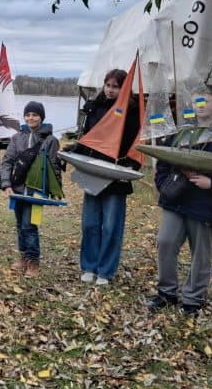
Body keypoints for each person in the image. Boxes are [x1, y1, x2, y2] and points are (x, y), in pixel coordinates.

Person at [147, 84, 212, 315]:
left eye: (205, 101)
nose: (200, 106)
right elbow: (163, 162)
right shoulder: (182, 133)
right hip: (176, 200)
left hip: (207, 205)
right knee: (165, 242)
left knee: (201, 254)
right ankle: (167, 293)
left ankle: (193, 300)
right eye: (196, 102)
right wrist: (164, 186)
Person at [73, 69, 141, 286]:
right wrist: (74, 154)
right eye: (108, 85)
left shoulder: (132, 112)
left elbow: (137, 145)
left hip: (116, 175)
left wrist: (131, 166)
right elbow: (85, 138)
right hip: (93, 171)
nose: (110, 90)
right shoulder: (93, 107)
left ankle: (105, 271)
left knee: (111, 226)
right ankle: (89, 267)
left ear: (124, 89)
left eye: (116, 86)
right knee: (90, 223)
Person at [0, 101, 60, 277]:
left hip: (37, 191)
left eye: (35, 115)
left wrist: (55, 190)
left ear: (41, 117)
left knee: (30, 225)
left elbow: (54, 167)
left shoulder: (50, 141)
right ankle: (23, 257)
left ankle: (33, 261)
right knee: (20, 224)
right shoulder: (17, 138)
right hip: (18, 189)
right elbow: (7, 161)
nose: (31, 118)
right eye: (28, 115)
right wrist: (6, 184)